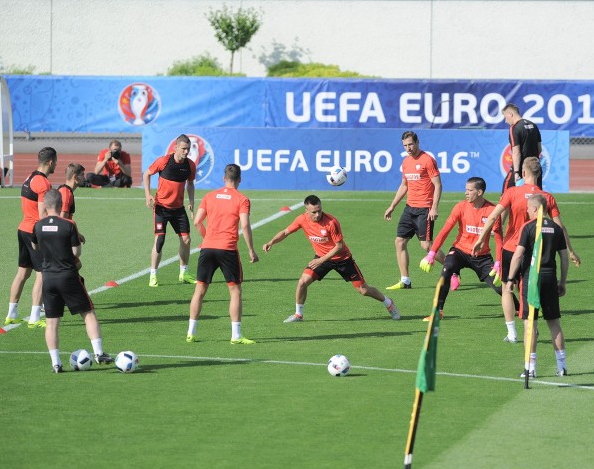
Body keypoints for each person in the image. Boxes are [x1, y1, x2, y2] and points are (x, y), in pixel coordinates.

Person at [473, 157, 580, 343]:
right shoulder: (546, 197)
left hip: (510, 249)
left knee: (507, 289)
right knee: (529, 289)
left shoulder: (512, 192)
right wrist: (570, 251)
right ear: (539, 174)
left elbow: (493, 217)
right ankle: (532, 328)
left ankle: (512, 333)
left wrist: (481, 238)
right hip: (534, 251)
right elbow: (560, 228)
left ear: (523, 173)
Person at [263, 195, 400, 323]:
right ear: (306, 211)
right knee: (302, 282)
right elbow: (286, 232)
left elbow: (339, 246)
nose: (318, 214)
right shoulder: (301, 219)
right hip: (322, 258)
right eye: (314, 212)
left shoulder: (331, 222)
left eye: (319, 211)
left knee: (363, 290)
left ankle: (388, 303)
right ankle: (299, 314)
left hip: (342, 259)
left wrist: (321, 260)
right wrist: (271, 242)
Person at [31, 190, 113, 372]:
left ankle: (56, 364)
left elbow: (35, 246)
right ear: (61, 205)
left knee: (52, 322)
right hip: (68, 276)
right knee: (88, 313)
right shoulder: (68, 224)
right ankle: (99, 353)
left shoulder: (38, 225)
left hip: (48, 278)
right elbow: (76, 252)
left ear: (45, 205)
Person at [187, 164, 259, 345]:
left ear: (223, 178)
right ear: (240, 179)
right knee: (235, 291)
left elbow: (196, 221)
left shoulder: (209, 196)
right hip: (227, 249)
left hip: (208, 247)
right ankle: (236, 335)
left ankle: (191, 332)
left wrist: (208, 237)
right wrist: (251, 249)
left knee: (200, 290)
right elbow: (244, 225)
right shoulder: (242, 199)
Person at [418, 177, 504, 321]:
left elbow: (499, 239)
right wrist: (432, 253)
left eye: (470, 190)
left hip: (481, 257)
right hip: (460, 251)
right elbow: (445, 231)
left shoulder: (492, 210)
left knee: (500, 288)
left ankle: (519, 307)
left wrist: (498, 263)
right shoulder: (460, 207)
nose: (466, 193)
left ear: (480, 192)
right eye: (466, 190)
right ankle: (438, 311)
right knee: (447, 268)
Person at [505, 194, 569, 378]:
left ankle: (530, 368)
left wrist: (510, 279)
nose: (526, 210)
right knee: (554, 323)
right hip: (550, 278)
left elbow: (518, 255)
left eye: (527, 208)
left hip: (531, 279)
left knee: (529, 323)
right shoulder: (556, 228)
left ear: (534, 209)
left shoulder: (528, 227)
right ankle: (562, 366)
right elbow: (564, 257)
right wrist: (562, 281)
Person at [383, 130, 445, 290]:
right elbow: (404, 185)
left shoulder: (428, 160)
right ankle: (405, 280)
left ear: (417, 143)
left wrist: (434, 208)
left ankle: (452, 269)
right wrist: (392, 206)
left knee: (426, 246)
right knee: (400, 242)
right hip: (409, 208)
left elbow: (438, 184)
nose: (408, 148)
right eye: (405, 145)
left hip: (425, 209)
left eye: (411, 144)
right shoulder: (405, 162)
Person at [4, 147, 56, 329]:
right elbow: (42, 213)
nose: (55, 165)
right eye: (55, 162)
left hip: (23, 228)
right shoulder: (43, 183)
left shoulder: (29, 177)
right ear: (50, 162)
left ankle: (12, 313)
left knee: (23, 273)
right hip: (35, 232)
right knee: (42, 274)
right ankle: (35, 316)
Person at [143, 134, 197, 287]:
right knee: (160, 240)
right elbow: (146, 174)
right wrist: (148, 195)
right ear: (176, 148)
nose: (186, 152)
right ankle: (153, 275)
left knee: (186, 240)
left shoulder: (190, 166)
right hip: (161, 208)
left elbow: (190, 184)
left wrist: (192, 202)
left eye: (188, 149)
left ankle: (184, 273)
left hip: (178, 209)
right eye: (183, 149)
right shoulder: (164, 161)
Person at [503, 103, 542, 191]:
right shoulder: (534, 125)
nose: (505, 121)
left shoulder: (514, 128)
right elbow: (539, 148)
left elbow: (516, 152)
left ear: (511, 114)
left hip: (522, 167)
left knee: (506, 194)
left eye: (505, 117)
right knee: (536, 196)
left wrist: (516, 172)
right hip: (535, 166)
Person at [58, 163, 86, 243]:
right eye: (82, 175)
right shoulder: (67, 194)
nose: (84, 178)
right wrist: (76, 234)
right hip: (61, 237)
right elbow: (62, 220)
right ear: (75, 177)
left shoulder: (63, 190)